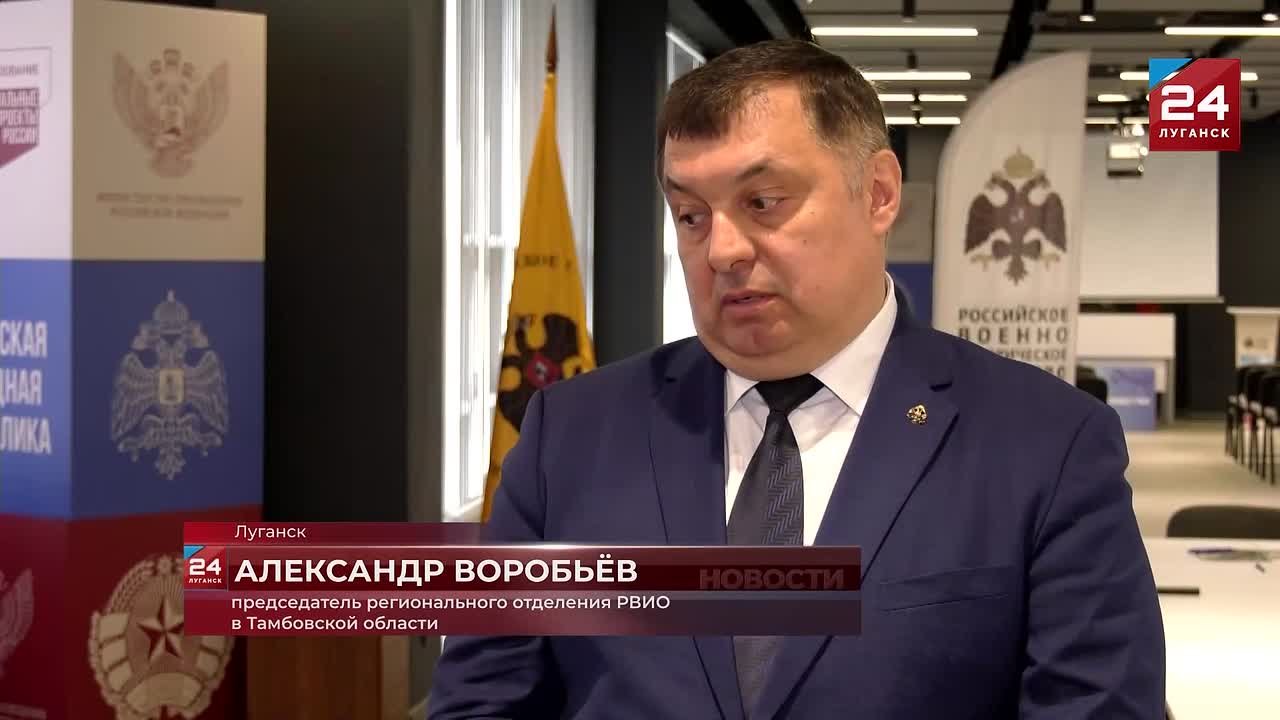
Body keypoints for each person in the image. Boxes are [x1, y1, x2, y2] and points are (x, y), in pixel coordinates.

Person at [428, 39, 1165, 719]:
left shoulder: (1047, 443)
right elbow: (482, 701)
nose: (721, 250)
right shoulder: (569, 435)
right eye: (690, 215)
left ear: (878, 193)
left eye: (762, 202)